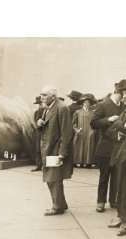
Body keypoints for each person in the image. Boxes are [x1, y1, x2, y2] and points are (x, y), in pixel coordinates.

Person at [37, 86, 73, 216]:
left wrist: (62, 153)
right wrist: (40, 123)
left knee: (53, 179)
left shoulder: (62, 108)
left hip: (55, 150)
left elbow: (67, 132)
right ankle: (61, 204)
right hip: (48, 149)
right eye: (41, 95)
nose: (42, 97)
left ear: (53, 96)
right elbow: (48, 126)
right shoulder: (48, 107)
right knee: (52, 178)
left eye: (45, 95)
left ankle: (57, 207)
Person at [90, 85, 124, 212]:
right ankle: (101, 202)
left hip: (120, 147)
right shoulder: (103, 105)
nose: (125, 97)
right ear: (116, 92)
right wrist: (108, 119)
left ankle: (113, 200)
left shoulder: (124, 106)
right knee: (104, 176)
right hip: (105, 147)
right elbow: (93, 123)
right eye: (123, 94)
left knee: (117, 176)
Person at [108, 79, 126, 236]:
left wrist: (120, 127)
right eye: (124, 93)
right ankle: (122, 216)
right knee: (122, 186)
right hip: (123, 154)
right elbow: (113, 129)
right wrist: (119, 128)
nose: (125, 97)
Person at [72, 93, 97, 167]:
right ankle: (78, 162)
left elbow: (95, 123)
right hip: (81, 131)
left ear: (90, 104)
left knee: (89, 146)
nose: (86, 104)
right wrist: (76, 130)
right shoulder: (77, 112)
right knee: (79, 146)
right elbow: (73, 123)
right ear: (82, 103)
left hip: (90, 131)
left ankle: (88, 162)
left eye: (88, 103)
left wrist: (93, 131)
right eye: (85, 102)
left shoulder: (93, 113)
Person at [31, 96, 45, 172]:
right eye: (38, 104)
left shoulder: (46, 111)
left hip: (45, 132)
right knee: (38, 150)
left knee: (44, 149)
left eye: (40, 103)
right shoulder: (36, 112)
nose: (39, 105)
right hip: (38, 132)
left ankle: (45, 166)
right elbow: (35, 121)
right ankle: (38, 165)